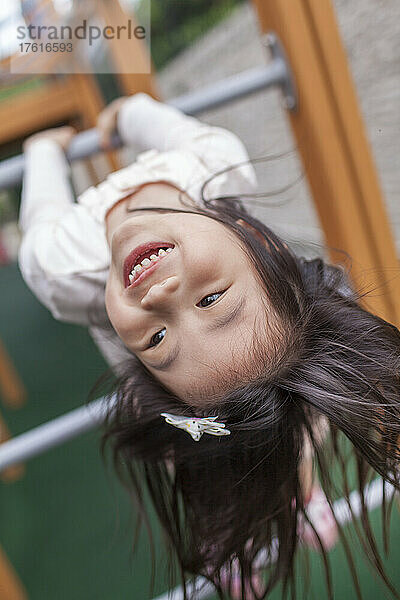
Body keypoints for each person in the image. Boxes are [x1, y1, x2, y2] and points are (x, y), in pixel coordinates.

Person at [19, 93, 400, 600]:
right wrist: (130, 115)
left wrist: (43, 152)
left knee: (287, 431)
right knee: (198, 467)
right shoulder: (213, 163)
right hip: (183, 413)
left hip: (233, 394)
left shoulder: (60, 263)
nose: (160, 297)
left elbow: (41, 212)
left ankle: (303, 494)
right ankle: (225, 541)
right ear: (256, 242)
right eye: (212, 299)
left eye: (157, 338)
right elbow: (171, 127)